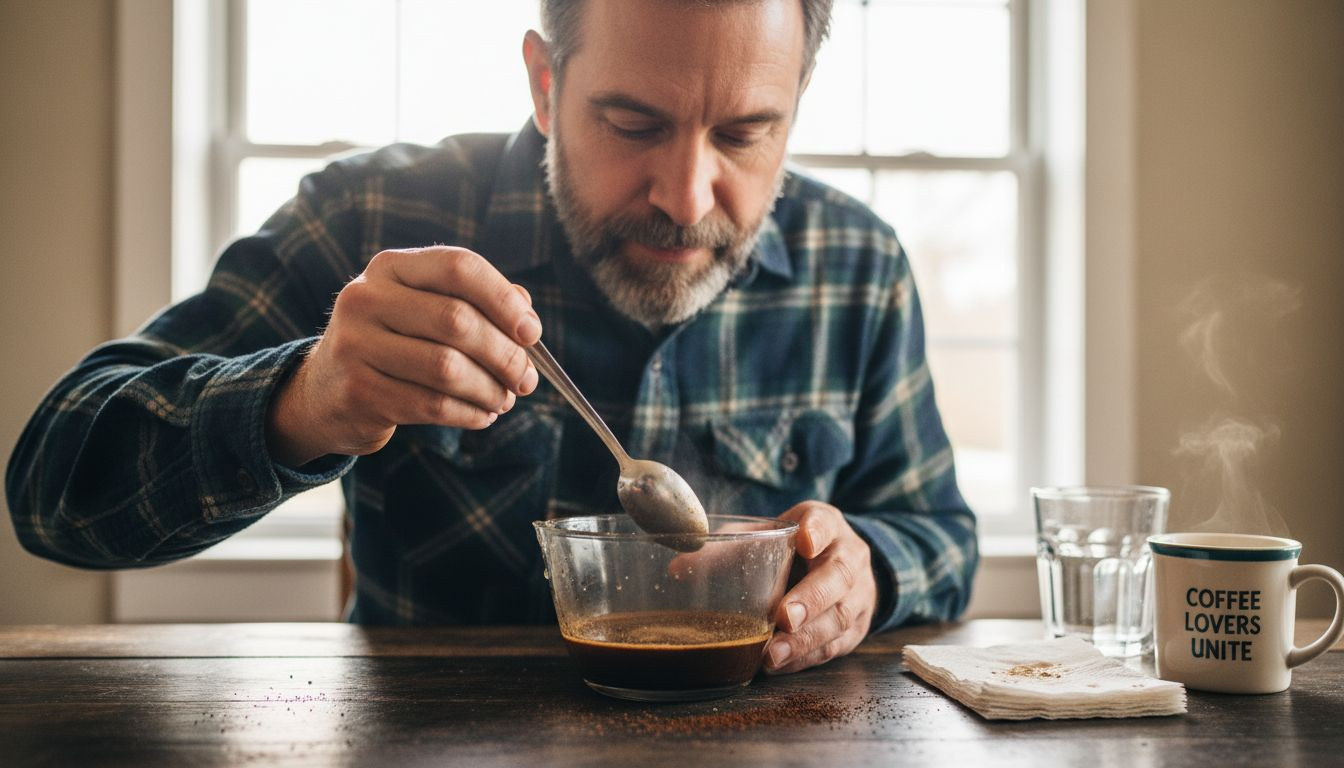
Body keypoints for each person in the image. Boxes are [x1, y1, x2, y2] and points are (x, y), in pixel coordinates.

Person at [6, 0, 977, 675]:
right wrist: (306, 399)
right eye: (633, 125)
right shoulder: (372, 216)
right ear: (546, 84)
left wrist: (870, 569)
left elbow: (939, 532)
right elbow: (53, 488)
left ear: (796, 107)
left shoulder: (858, 265)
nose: (686, 198)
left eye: (742, 135)